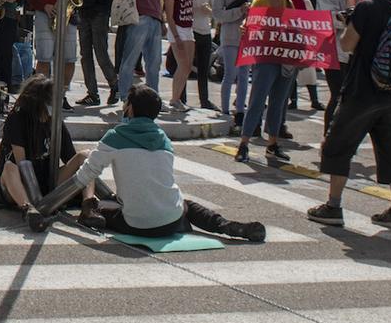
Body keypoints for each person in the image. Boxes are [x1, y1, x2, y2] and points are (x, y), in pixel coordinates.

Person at [74, 86, 267, 242]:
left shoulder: (115, 136)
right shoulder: (164, 140)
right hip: (171, 219)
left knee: (98, 209)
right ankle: (225, 225)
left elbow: (85, 175)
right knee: (187, 205)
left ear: (130, 109)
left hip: (135, 223)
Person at [306, 0, 391, 231]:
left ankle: (333, 205)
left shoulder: (367, 8)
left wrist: (349, 24)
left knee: (339, 144)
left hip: (364, 89)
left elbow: (347, 44)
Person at [0, 75, 90, 231]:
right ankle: (28, 209)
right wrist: (36, 200)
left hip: (47, 182)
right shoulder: (17, 118)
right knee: (10, 167)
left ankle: (90, 205)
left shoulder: (54, 121)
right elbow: (22, 165)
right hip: (20, 185)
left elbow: (70, 157)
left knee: (85, 157)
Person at [234, 0, 306, 165]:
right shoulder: (260, 1)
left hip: (284, 60)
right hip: (265, 59)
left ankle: (273, 144)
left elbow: (295, 29)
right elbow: (251, 25)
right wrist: (245, 29)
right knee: (257, 100)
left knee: (279, 103)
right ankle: (244, 143)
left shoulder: (288, 4)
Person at [212, 0, 263, 124]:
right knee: (230, 73)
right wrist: (238, 11)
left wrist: (250, 12)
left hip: (247, 37)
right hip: (229, 37)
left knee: (243, 75)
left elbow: (262, 13)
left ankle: (240, 110)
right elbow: (218, 15)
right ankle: (225, 109)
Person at [313, 0, 359, 136]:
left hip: (351, 50)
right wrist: (349, 18)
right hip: (333, 51)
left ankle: (343, 135)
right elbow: (327, 19)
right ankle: (329, 136)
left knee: (350, 96)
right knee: (338, 94)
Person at [162, 0, 200, 113]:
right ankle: (175, 99)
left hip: (188, 28)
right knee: (182, 65)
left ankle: (176, 99)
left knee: (187, 67)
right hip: (177, 29)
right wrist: (176, 37)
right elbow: (169, 16)